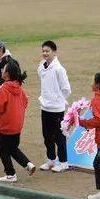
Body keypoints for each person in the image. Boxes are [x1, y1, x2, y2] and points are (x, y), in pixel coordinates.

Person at [0, 60, 35, 182]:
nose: (1, 70)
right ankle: (28, 164)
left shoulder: (4, 88)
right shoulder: (19, 87)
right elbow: (25, 102)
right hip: (17, 124)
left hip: (6, 125)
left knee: (3, 149)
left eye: (3, 69)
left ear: (7, 74)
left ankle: (11, 174)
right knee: (13, 148)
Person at [36, 41, 71, 172]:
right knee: (47, 135)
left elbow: (66, 89)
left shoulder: (59, 69)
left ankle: (63, 162)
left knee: (59, 136)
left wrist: (57, 100)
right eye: (43, 51)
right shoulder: (41, 67)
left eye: (48, 51)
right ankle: (51, 159)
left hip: (57, 109)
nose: (45, 53)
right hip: (45, 107)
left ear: (54, 52)